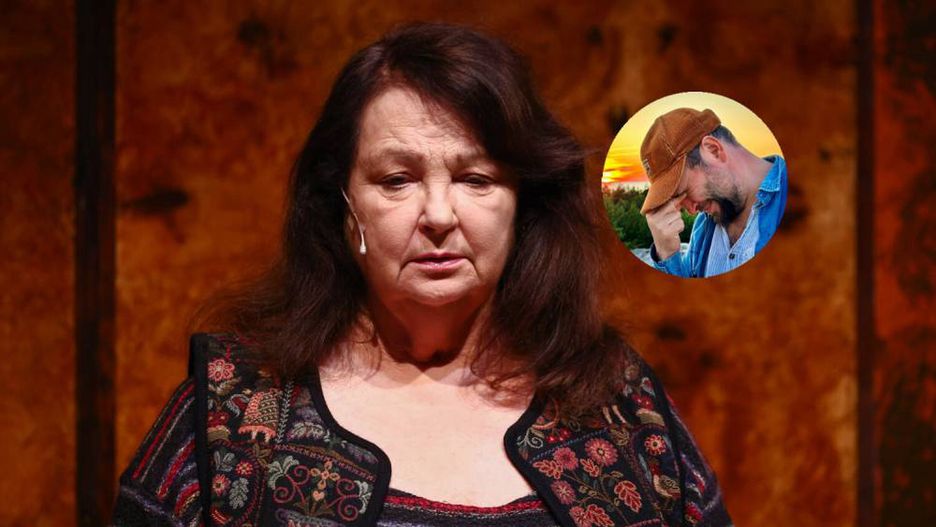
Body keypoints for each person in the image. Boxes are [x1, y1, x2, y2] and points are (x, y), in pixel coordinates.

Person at [112, 23, 732, 527]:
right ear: (342, 203)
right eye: (396, 180)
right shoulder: (234, 413)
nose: (438, 215)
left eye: (476, 179)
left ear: (522, 202)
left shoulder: (618, 403)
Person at [640, 108, 788, 278]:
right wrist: (667, 254)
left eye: (684, 191)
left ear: (713, 150)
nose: (691, 211)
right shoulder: (703, 226)